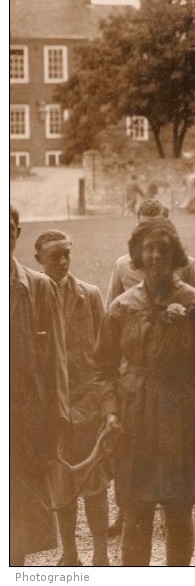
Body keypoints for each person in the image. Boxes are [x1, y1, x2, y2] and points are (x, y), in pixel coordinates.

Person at [95, 217, 195, 565]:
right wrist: (110, 412)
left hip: (179, 422)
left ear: (174, 255)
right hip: (134, 424)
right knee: (136, 514)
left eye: (162, 249)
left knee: (178, 514)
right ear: (136, 255)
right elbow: (104, 368)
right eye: (147, 249)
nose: (154, 256)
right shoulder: (121, 307)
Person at [34, 230, 110, 566]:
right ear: (39, 260)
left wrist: (107, 405)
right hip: (53, 411)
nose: (63, 262)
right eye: (54, 256)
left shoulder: (90, 296)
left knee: (95, 484)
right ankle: (70, 553)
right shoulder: (31, 297)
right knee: (62, 486)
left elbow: (108, 354)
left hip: (88, 406)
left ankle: (101, 554)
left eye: (67, 254)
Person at [9, 205, 69, 566]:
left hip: (22, 421)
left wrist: (55, 421)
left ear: (17, 232)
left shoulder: (39, 287)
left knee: (20, 520)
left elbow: (56, 361)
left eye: (8, 228)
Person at [105, 198, 195, 307]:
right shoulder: (122, 266)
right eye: (144, 227)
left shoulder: (187, 265)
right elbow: (111, 311)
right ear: (137, 228)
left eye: (157, 227)